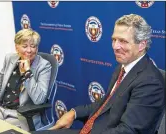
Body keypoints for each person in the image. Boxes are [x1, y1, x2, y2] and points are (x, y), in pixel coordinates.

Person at [33, 14, 165, 134]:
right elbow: (107, 103)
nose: (115, 46)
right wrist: (74, 113)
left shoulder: (150, 82)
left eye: (123, 41)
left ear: (142, 45)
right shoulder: (123, 67)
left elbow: (128, 131)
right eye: (114, 40)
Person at [0, 29, 52, 131]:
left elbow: (39, 99)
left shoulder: (44, 66)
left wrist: (27, 73)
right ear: (16, 47)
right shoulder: (10, 58)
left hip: (22, 116)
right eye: (25, 46)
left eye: (33, 46)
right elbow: (0, 85)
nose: (29, 50)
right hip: (0, 110)